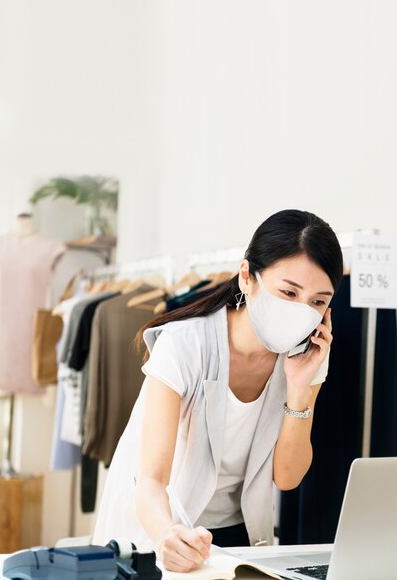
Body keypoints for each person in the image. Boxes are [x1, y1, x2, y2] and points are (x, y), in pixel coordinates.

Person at [93, 209, 343, 572]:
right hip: (158, 528)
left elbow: (288, 477)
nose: (301, 310)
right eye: (288, 292)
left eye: (318, 301)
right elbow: (150, 479)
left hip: (236, 535)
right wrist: (167, 537)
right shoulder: (184, 344)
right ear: (247, 278)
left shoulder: (307, 357)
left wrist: (301, 389)